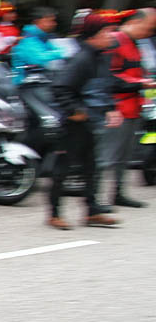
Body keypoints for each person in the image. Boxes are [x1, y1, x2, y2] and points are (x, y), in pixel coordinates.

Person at [47, 12, 124, 229]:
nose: (111, 35)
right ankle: (54, 214)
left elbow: (104, 86)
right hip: (73, 125)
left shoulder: (99, 57)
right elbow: (60, 88)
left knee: (91, 167)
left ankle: (92, 211)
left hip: (90, 122)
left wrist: (111, 108)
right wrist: (75, 110)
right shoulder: (82, 59)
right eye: (107, 32)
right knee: (63, 169)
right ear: (93, 35)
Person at [101, 7, 156, 208]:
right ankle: (95, 200)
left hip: (133, 106)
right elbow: (107, 77)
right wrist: (139, 83)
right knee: (107, 157)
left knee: (123, 157)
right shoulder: (115, 41)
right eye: (148, 28)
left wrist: (142, 82)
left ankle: (118, 194)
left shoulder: (134, 43)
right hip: (118, 107)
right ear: (135, 22)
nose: (149, 33)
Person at [11, 6, 67, 83]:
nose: (53, 24)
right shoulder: (28, 39)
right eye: (49, 21)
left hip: (40, 84)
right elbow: (38, 59)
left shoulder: (44, 38)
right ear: (37, 21)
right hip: (25, 87)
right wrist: (62, 52)